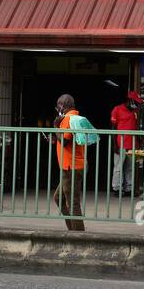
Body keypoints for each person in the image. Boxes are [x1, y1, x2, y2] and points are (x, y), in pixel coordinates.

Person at [48, 94, 88, 231]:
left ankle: (78, 233)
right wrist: (56, 138)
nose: (57, 109)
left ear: (62, 107)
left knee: (72, 202)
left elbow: (65, 141)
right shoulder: (75, 117)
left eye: (57, 106)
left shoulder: (67, 119)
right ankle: (73, 228)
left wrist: (55, 126)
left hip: (71, 167)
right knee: (59, 198)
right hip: (71, 165)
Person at [110, 90, 142, 195]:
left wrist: (138, 143)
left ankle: (128, 188)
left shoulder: (135, 112)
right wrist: (115, 145)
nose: (137, 105)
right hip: (120, 143)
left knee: (130, 168)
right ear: (130, 100)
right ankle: (117, 188)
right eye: (136, 102)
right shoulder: (117, 109)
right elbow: (113, 128)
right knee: (118, 167)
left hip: (132, 144)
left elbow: (136, 127)